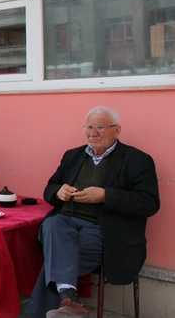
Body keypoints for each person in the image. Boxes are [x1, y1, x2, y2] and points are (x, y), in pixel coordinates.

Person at [25, 106, 160, 318]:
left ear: (117, 131)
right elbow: (51, 187)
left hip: (103, 230)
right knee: (52, 225)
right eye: (89, 127)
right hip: (66, 222)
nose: (93, 133)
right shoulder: (73, 155)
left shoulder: (138, 160)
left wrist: (106, 195)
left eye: (100, 127)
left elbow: (149, 203)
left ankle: (65, 300)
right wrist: (59, 192)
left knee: (60, 253)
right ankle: (69, 303)